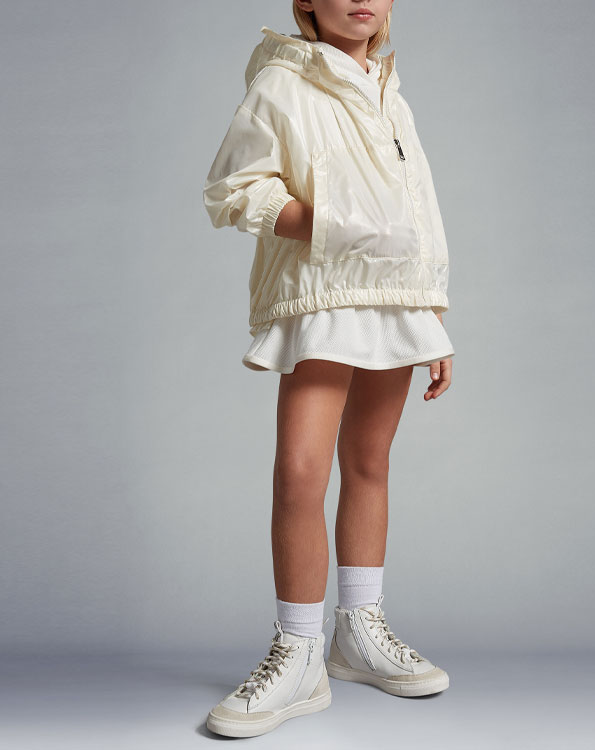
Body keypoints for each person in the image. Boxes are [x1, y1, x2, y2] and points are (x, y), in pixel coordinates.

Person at [202, 0, 453, 737]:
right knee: (300, 473)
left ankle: (358, 632)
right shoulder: (282, 82)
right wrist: (330, 224)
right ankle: (300, 652)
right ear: (306, 1)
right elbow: (235, 188)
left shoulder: (391, 92)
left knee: (370, 463)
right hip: (323, 292)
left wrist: (433, 313)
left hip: (397, 298)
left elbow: (420, 214)